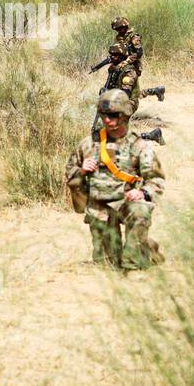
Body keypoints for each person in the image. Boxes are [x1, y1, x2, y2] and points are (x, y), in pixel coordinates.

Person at [65, 89, 166, 270]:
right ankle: (142, 250)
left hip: (128, 203)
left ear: (124, 115)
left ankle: (140, 254)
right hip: (100, 209)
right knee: (108, 264)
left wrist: (142, 192)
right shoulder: (88, 144)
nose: (108, 120)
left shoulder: (138, 146)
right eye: (104, 115)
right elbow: (69, 173)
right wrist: (81, 170)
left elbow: (156, 180)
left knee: (134, 257)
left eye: (113, 115)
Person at [94, 42, 165, 144]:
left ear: (121, 56)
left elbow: (124, 95)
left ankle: (150, 136)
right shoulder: (114, 69)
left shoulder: (128, 72)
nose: (112, 57)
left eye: (115, 55)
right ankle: (152, 136)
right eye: (111, 55)